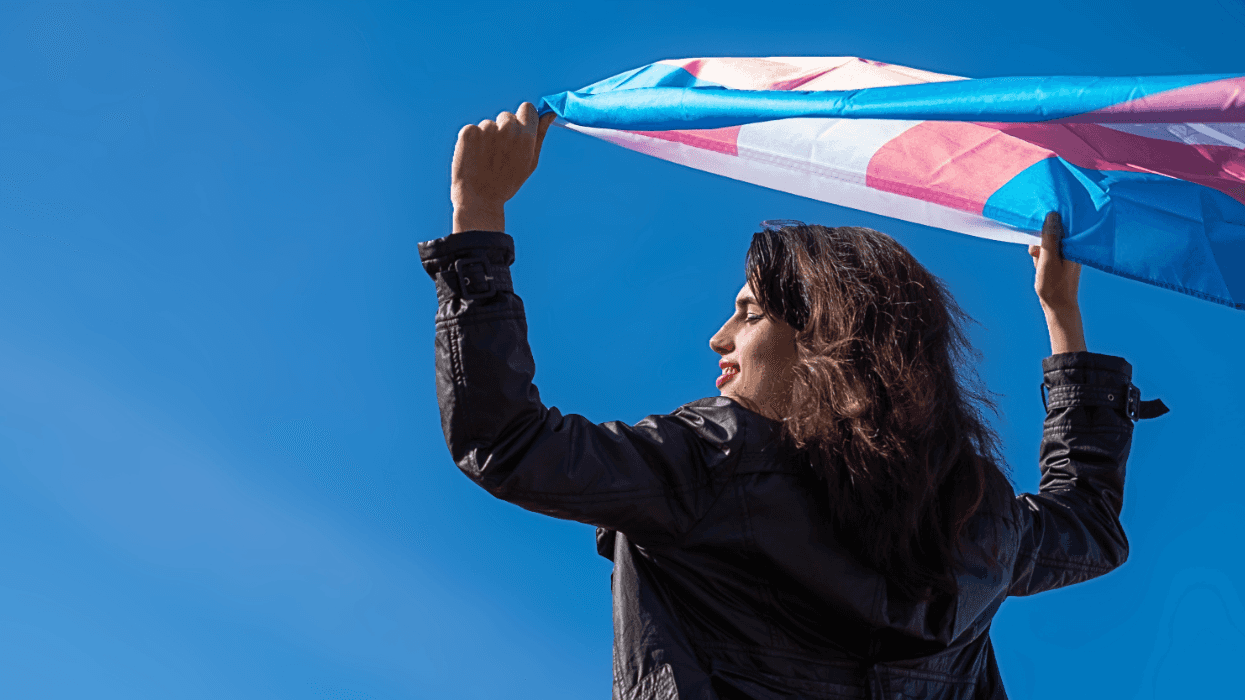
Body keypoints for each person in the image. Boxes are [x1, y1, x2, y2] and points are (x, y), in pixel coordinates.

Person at [418, 103, 1166, 700]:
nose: (718, 338)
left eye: (748, 313)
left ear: (821, 335)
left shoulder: (711, 462)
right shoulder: (978, 514)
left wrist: (477, 212)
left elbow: (507, 442)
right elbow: (1090, 526)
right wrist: (1062, 321)